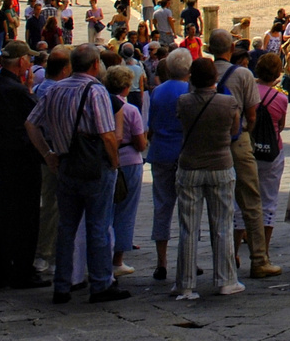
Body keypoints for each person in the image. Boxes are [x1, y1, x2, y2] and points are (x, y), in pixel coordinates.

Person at [24, 44, 129, 304]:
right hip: (94, 167)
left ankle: (62, 285)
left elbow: (30, 123)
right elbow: (106, 134)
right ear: (95, 65)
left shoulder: (54, 89)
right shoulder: (95, 90)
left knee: (66, 227)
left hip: (65, 164)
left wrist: (48, 154)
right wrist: (114, 163)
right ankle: (101, 283)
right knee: (98, 226)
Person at [210, 29, 281, 278]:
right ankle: (259, 259)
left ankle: (223, 260)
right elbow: (252, 115)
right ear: (230, 48)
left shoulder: (203, 72)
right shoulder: (242, 74)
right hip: (237, 139)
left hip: (210, 141)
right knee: (251, 199)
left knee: (216, 202)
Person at [173, 57, 244, 299]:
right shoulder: (229, 103)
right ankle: (225, 280)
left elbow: (181, 124)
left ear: (191, 77)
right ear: (215, 77)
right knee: (223, 224)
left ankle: (185, 283)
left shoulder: (183, 102)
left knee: (188, 228)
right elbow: (234, 131)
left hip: (190, 165)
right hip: (221, 164)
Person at [0, 42, 45, 289]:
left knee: (6, 211)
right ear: (21, 62)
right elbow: (35, 119)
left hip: (4, 155)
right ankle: (22, 269)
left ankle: (2, 268)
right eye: (28, 60)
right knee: (27, 214)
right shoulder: (16, 91)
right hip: (24, 157)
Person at [147, 48, 192, 280]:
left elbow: (151, 124)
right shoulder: (189, 91)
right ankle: (188, 258)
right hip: (184, 153)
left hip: (161, 151)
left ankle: (161, 261)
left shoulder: (158, 92)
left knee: (162, 206)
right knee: (188, 208)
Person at [103, 66, 147, 279]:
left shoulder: (101, 104)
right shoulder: (130, 110)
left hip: (105, 159)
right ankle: (117, 260)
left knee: (105, 210)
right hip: (129, 160)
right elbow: (140, 143)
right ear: (126, 87)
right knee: (125, 211)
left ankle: (102, 256)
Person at [251, 52, 290, 266]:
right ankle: (263, 252)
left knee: (243, 202)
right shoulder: (281, 98)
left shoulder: (248, 93)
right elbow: (282, 125)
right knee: (269, 202)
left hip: (249, 150)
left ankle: (240, 248)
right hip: (272, 151)